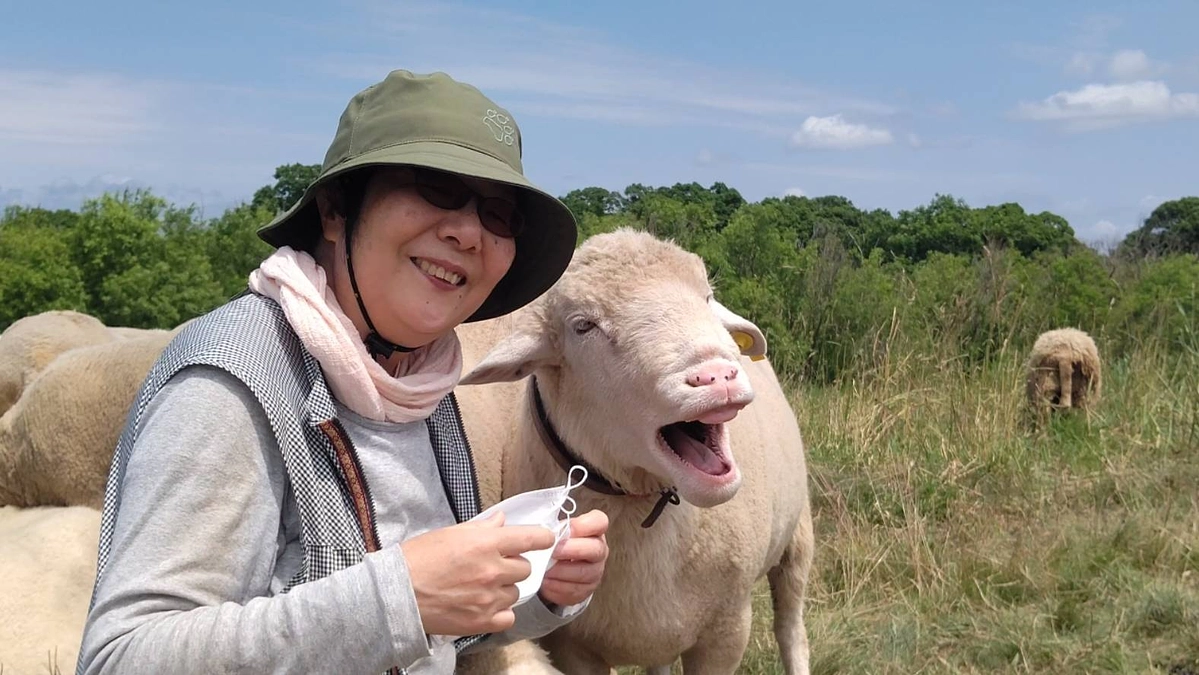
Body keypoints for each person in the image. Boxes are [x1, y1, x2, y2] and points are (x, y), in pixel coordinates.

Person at [75, 69, 609, 675]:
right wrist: (403, 596)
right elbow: (122, 659)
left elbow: (417, 636)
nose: (467, 230)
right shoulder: (233, 385)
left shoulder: (420, 387)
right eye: (435, 187)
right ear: (336, 211)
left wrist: (540, 592)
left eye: (499, 214)